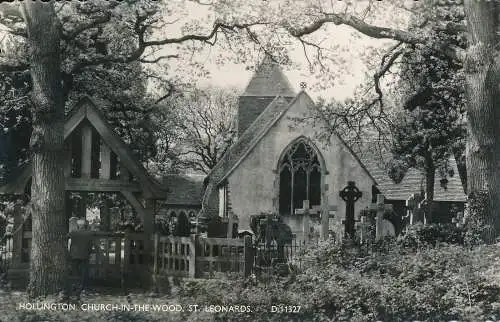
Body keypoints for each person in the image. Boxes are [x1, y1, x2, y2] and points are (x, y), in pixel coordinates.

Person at [68, 219, 92, 294]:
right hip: (85, 254)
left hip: (74, 254)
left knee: (75, 270)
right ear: (85, 225)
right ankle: (83, 286)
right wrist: (89, 252)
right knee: (84, 270)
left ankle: (75, 285)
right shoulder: (89, 233)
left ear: (78, 226)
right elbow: (90, 245)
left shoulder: (73, 232)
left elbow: (67, 237)